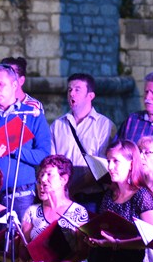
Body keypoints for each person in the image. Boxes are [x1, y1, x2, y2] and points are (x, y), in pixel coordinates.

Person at [0, 64, 52, 222]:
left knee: (19, 241)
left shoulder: (32, 115)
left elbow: (44, 156)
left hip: (21, 195)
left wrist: (12, 149)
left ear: (14, 85)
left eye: (1, 84)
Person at [50, 73, 116, 212]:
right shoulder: (57, 125)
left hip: (92, 198)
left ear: (90, 96)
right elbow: (51, 162)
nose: (71, 94)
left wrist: (73, 188)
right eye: (69, 90)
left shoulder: (105, 126)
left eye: (77, 89)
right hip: (63, 198)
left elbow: (103, 167)